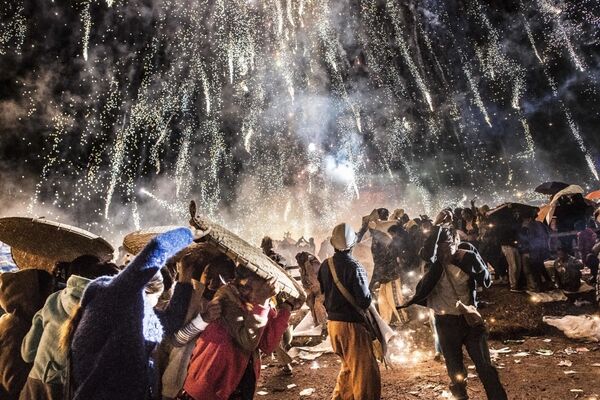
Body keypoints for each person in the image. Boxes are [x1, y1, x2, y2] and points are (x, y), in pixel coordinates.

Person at [63, 227, 195, 400]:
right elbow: (156, 248)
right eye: (157, 296)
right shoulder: (111, 301)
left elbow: (169, 322)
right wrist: (190, 233)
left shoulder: (131, 314)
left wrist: (184, 280)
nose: (156, 304)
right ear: (144, 290)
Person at [401, 226, 507, 400]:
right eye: (440, 247)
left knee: (485, 367)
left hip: (470, 320)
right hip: (445, 322)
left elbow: (486, 281)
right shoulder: (433, 265)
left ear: (455, 243)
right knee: (455, 371)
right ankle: (460, 396)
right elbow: (423, 283)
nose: (444, 251)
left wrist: (475, 263)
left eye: (447, 246)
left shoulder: (468, 256)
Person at [177, 269, 296, 400]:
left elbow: (268, 345)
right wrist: (262, 302)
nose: (269, 286)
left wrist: (287, 307)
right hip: (211, 384)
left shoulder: (259, 299)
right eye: (265, 282)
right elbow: (248, 341)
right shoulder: (227, 297)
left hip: (241, 383)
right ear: (247, 281)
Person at [19, 257, 119, 400]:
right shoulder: (109, 308)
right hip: (76, 390)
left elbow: (27, 353)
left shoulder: (54, 299)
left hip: (36, 387)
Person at [160, 246, 235, 400]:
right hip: (179, 384)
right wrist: (204, 319)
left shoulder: (236, 308)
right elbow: (177, 340)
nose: (211, 283)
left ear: (232, 280)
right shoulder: (193, 300)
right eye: (208, 275)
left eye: (221, 277)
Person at [318, 223, 381, 400]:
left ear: (332, 243)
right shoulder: (355, 267)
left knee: (348, 368)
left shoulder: (325, 265)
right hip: (352, 327)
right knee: (365, 375)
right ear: (353, 245)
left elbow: (324, 292)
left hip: (334, 326)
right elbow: (363, 301)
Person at [0, 269, 54, 400]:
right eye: (49, 290)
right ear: (34, 294)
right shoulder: (16, 329)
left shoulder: (17, 320)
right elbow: (13, 385)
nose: (53, 296)